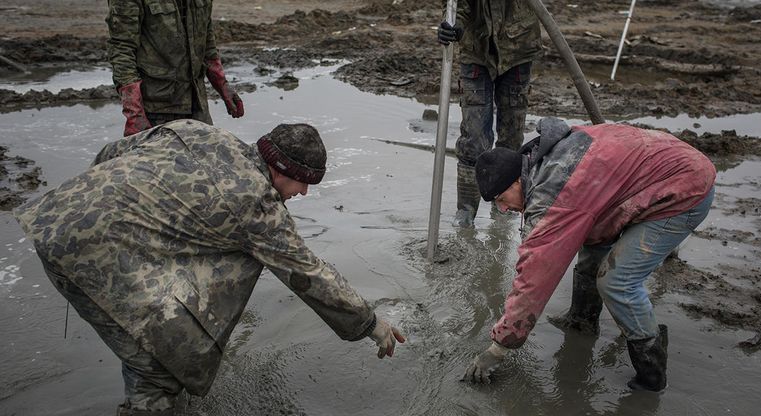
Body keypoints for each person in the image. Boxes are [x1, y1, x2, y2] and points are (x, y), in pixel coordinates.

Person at [14, 120, 404, 415]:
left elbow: (111, 154)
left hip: (56, 216)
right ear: (281, 169)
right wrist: (370, 325)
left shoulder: (198, 131)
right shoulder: (257, 206)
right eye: (302, 184)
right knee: (157, 366)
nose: (302, 194)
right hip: (88, 256)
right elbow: (309, 274)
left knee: (150, 334)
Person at [462, 117, 716, 392]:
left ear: (515, 182)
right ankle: (582, 321)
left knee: (617, 282)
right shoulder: (542, 163)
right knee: (593, 239)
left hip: (683, 191)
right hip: (658, 170)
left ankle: (651, 375)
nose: (503, 209)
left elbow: (534, 279)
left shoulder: (555, 193)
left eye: (500, 200)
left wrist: (499, 347)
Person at [437, 0, 542, 226]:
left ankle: (506, 207)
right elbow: (457, 6)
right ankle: (465, 210)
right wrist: (453, 26)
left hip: (518, 48)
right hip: (477, 50)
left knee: (511, 138)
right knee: (474, 139)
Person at [106, 0, 244, 137]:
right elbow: (122, 50)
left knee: (205, 157)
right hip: (155, 110)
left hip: (197, 105)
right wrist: (135, 114)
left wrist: (222, 84)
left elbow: (206, 37)